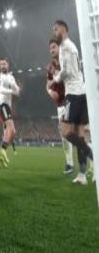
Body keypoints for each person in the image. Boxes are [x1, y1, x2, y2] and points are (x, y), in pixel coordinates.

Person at [51, 20, 93, 184]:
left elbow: (66, 71)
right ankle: (82, 175)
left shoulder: (65, 47)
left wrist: (55, 78)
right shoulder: (71, 46)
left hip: (73, 94)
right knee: (80, 134)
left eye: (56, 29)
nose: (55, 32)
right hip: (82, 92)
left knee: (65, 130)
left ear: (64, 29)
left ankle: (92, 153)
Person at [47, 38, 74, 175]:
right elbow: (48, 84)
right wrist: (50, 92)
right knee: (65, 136)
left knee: (77, 133)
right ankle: (69, 163)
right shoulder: (50, 67)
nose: (52, 50)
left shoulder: (66, 60)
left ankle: (92, 161)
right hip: (60, 105)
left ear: (60, 48)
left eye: (54, 47)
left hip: (71, 100)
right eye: (50, 48)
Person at [0, 57, 20, 168]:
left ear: (8, 65)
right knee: (10, 128)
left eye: (4, 64)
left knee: (13, 132)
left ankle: (3, 152)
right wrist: (13, 91)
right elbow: (1, 90)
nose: (2, 66)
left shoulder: (11, 77)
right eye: (1, 64)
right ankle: (3, 150)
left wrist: (17, 89)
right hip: (2, 105)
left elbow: (16, 88)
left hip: (8, 106)